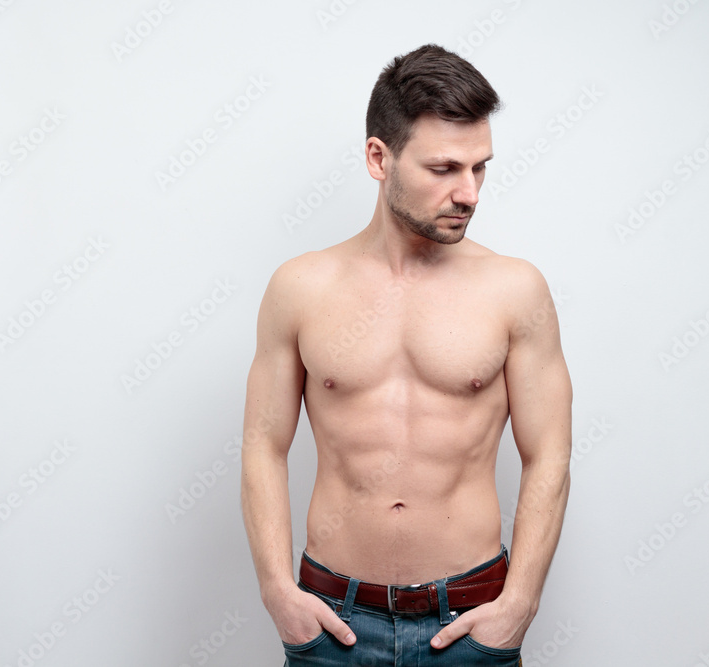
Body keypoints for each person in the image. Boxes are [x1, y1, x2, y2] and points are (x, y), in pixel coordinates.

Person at [240, 44, 572, 665]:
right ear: (378, 157)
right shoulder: (301, 288)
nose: (468, 192)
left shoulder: (515, 289)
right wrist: (276, 591)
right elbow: (263, 443)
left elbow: (549, 451)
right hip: (330, 623)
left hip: (470, 621)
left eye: (480, 168)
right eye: (444, 168)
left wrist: (520, 602)